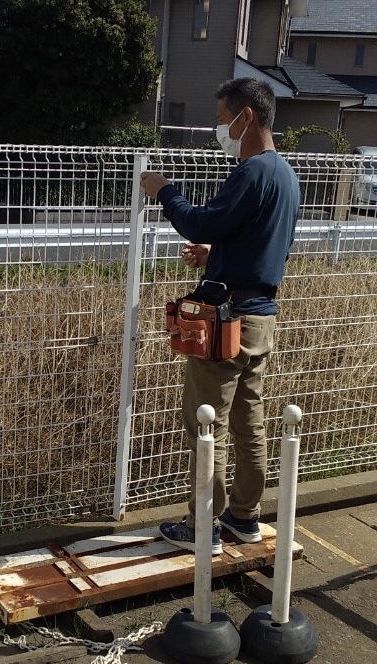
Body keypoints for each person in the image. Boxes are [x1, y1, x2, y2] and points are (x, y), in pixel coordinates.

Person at [140, 77, 300, 556]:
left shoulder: (251, 172)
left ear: (245, 117)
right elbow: (267, 246)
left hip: (227, 322)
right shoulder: (286, 176)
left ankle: (202, 525)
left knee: (206, 423)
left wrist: (165, 191)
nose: (220, 131)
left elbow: (201, 221)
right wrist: (216, 255)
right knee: (250, 424)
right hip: (262, 318)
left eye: (221, 120)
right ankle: (244, 517)